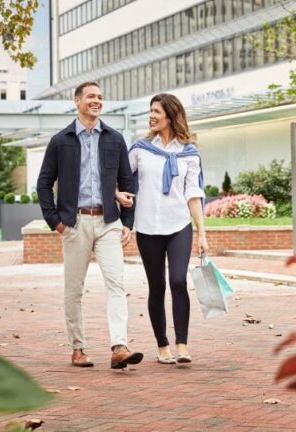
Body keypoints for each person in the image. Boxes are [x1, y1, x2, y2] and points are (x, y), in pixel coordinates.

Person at [37, 81, 143, 369]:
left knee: (116, 285)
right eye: (91, 97)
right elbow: (44, 184)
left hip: (109, 221)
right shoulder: (61, 141)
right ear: (77, 101)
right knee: (74, 289)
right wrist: (56, 222)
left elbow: (127, 182)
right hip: (75, 222)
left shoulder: (114, 138)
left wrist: (127, 222)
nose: (97, 101)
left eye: (100, 97)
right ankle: (78, 348)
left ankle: (119, 346)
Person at [116, 93, 208, 365]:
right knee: (157, 285)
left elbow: (193, 194)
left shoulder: (189, 153)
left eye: (157, 111)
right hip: (148, 227)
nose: (151, 116)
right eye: (151, 111)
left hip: (179, 224)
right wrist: (120, 206)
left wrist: (202, 232)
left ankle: (182, 343)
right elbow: (121, 179)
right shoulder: (141, 149)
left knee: (178, 281)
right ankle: (162, 344)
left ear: (170, 115)